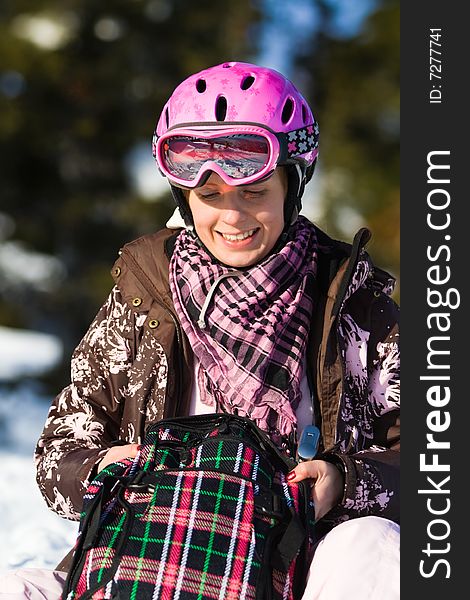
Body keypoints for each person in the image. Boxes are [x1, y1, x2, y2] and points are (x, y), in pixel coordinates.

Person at [1, 61, 400, 599]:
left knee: (376, 549)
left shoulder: (352, 303)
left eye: (255, 191)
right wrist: (97, 467)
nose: (232, 218)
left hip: (298, 565)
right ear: (183, 197)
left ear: (293, 184)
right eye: (210, 196)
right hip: (150, 555)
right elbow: (62, 442)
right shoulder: (145, 296)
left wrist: (343, 483)